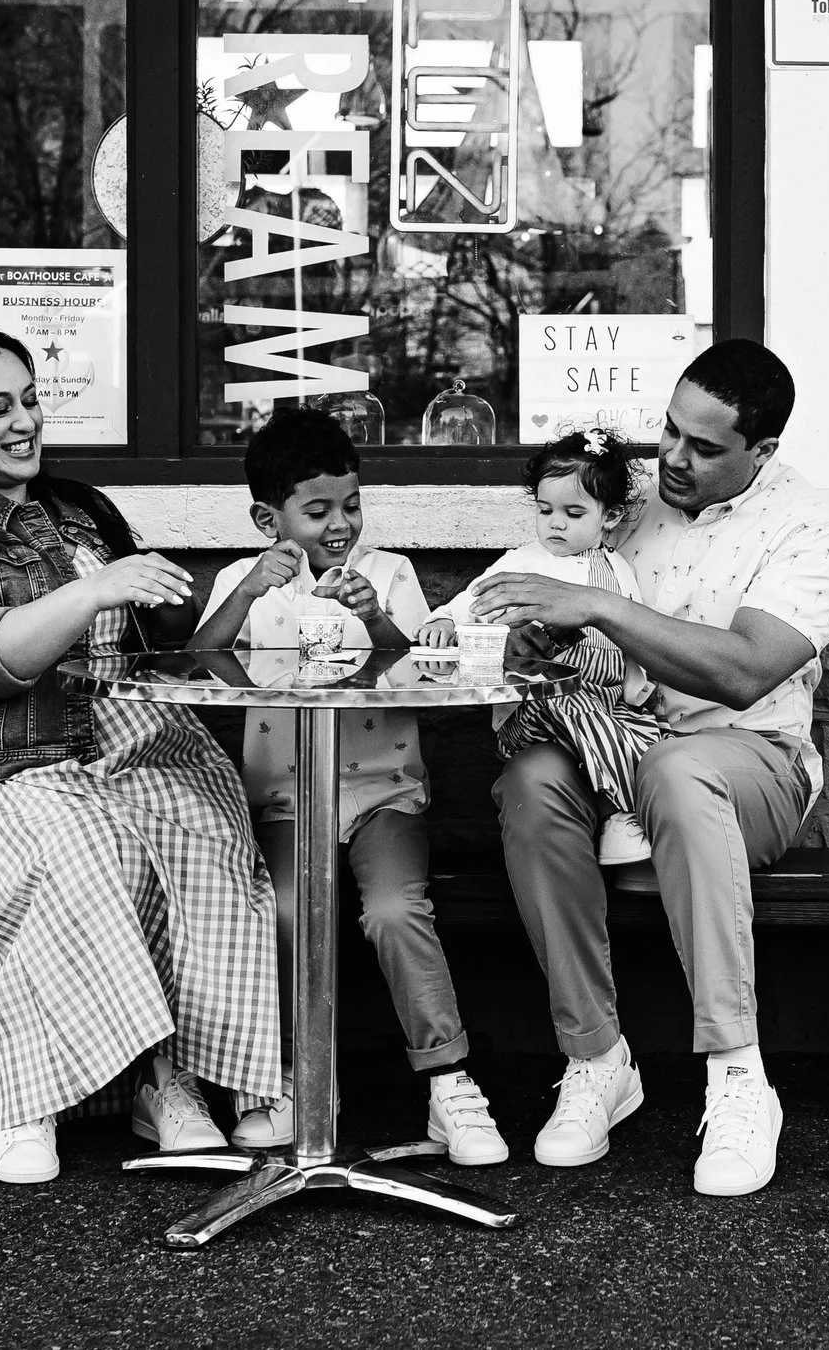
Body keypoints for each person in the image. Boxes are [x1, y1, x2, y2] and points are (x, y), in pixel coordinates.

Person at [0, 325, 282, 1185]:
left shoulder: (77, 507)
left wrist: (169, 597)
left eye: (30, 399)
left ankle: (175, 1084)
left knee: (204, 833)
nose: (25, 421)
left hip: (132, 746)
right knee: (88, 853)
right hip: (4, 769)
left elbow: (141, 638)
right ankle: (26, 1097)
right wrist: (95, 586)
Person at [471, 340, 829, 1198]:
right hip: (610, 745)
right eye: (669, 434)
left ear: (762, 452)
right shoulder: (628, 504)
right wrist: (537, 636)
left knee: (681, 770)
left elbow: (745, 671)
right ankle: (597, 1057)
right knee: (531, 780)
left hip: (747, 760)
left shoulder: (810, 528)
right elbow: (559, 594)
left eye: (705, 447)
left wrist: (599, 606)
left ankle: (739, 1074)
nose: (674, 460)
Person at [191, 407, 510, 1166]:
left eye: (352, 505)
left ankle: (448, 1082)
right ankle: (297, 1080)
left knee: (397, 912)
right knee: (282, 914)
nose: (341, 525)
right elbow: (200, 661)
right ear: (269, 518)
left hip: (381, 791)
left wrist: (383, 621)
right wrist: (246, 597)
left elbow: (427, 673)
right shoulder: (244, 581)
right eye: (318, 511)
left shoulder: (389, 573)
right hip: (283, 797)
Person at [419, 427, 664, 865]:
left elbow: (634, 637)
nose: (555, 523)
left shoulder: (619, 570)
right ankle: (623, 813)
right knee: (572, 704)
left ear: (609, 517)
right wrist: (444, 620)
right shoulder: (523, 561)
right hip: (534, 711)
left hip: (604, 706)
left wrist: (637, 692)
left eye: (573, 513)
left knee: (653, 735)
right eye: (545, 509)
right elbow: (472, 600)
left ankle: (647, 804)